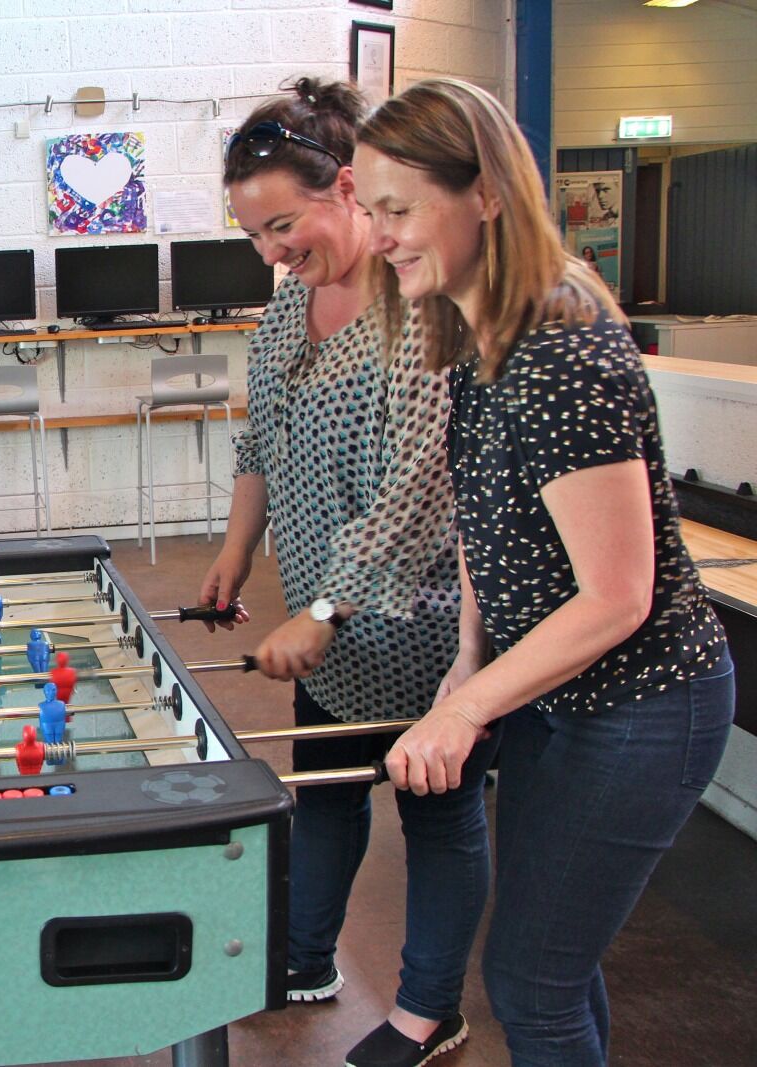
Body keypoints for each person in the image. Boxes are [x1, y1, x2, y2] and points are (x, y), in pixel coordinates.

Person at [353, 78, 735, 1067]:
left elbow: (617, 595)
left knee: (531, 979)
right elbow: (488, 525)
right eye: (370, 211)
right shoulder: (476, 332)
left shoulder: (560, 348)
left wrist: (466, 711)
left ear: (484, 193)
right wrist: (465, 664)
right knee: (551, 963)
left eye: (398, 210)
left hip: (642, 699)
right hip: (558, 696)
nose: (379, 237)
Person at [196, 77, 494, 1067]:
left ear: (350, 189)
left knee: (436, 813)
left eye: (283, 225)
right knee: (323, 788)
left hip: (420, 628)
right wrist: (236, 553)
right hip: (324, 621)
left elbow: (418, 493)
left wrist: (324, 608)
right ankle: (304, 959)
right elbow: (261, 439)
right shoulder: (290, 304)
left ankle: (429, 1008)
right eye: (255, 234)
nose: (271, 252)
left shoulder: (421, 311)